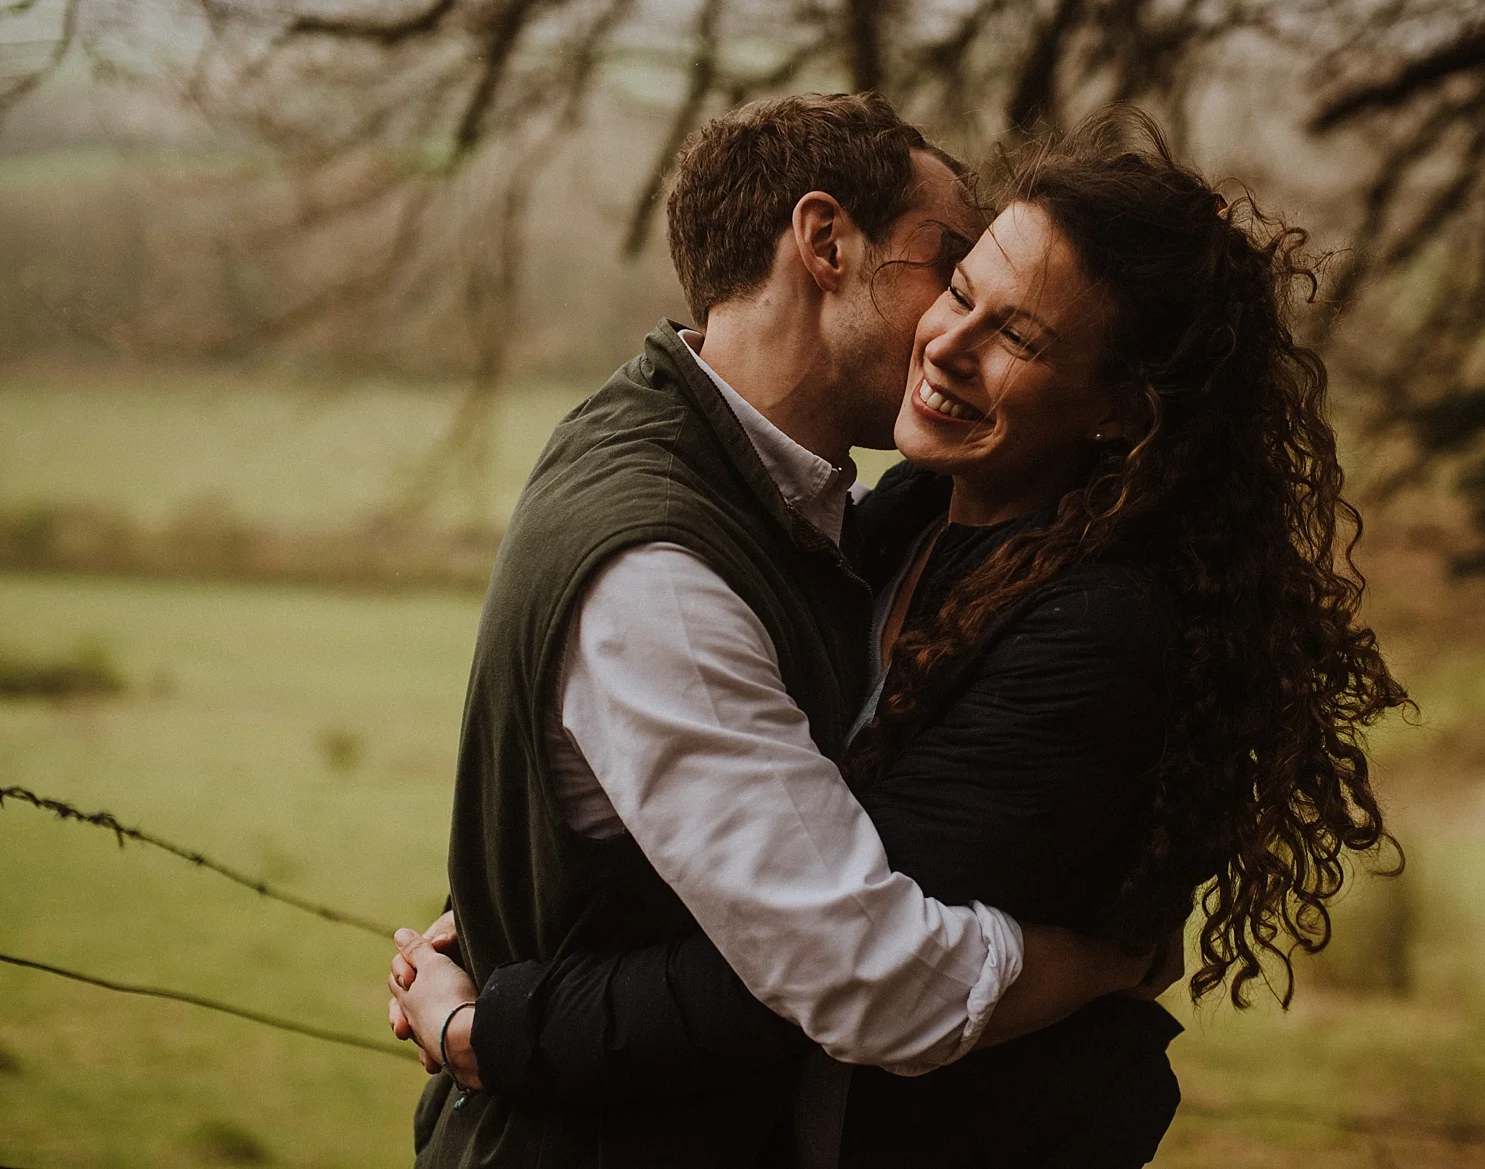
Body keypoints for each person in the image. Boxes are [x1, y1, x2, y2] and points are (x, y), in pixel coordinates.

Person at [391, 107, 1408, 1167]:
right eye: (959, 282)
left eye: (1018, 333)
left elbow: (842, 970)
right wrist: (503, 910)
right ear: (823, 243)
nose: (949, 337)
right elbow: (753, 857)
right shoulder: (895, 515)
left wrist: (493, 1024)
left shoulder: (1091, 628)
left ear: (1119, 412)